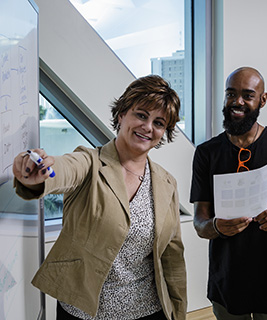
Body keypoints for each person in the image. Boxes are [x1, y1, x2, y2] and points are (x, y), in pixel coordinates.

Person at [12, 75, 187, 320]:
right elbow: (65, 169)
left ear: (164, 133)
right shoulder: (89, 162)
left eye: (159, 122)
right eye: (141, 115)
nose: (148, 127)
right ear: (121, 115)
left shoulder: (166, 183)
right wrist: (40, 175)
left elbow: (173, 257)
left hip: (148, 311)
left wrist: (178, 312)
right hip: (84, 313)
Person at [190, 67, 267, 320]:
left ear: (262, 100)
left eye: (247, 95)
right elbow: (200, 224)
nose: (237, 102)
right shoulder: (206, 153)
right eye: (231, 94)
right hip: (226, 282)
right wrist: (216, 226)